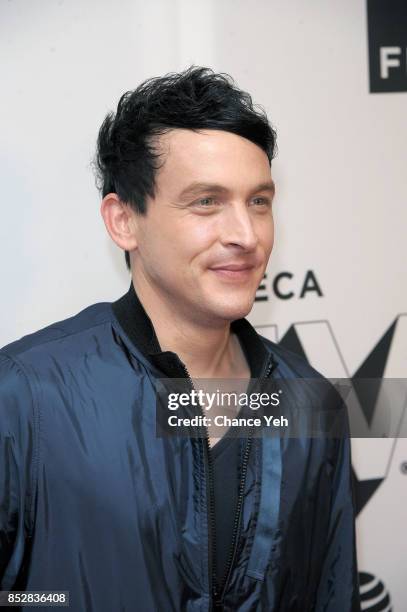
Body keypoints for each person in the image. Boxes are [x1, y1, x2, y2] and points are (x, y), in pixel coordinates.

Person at [0, 66, 360, 611]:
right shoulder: (26, 394)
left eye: (259, 201)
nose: (246, 235)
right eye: (206, 202)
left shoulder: (311, 401)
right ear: (124, 221)